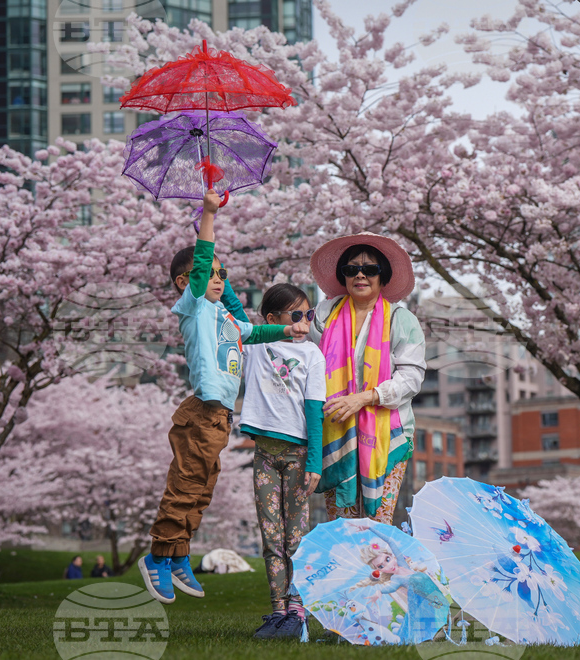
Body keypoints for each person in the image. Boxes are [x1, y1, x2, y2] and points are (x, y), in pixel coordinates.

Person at [139, 190, 310, 606]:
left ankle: (179, 554)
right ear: (188, 283)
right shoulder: (195, 307)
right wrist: (209, 214)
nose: (218, 278)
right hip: (201, 413)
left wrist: (288, 331)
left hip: (219, 419)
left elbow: (255, 330)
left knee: (203, 488)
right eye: (212, 274)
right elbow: (202, 261)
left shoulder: (227, 319)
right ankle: (158, 556)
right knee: (185, 485)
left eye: (223, 273)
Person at [308, 233, 425, 523]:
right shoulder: (324, 314)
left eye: (370, 269)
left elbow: (412, 377)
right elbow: (307, 364)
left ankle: (378, 571)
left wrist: (364, 398)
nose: (360, 275)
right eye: (351, 269)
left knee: (377, 525)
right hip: (335, 429)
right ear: (343, 276)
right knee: (343, 526)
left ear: (382, 276)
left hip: (389, 432)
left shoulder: (401, 319)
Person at [240, 283, 326, 640]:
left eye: (308, 315)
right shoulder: (257, 346)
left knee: (297, 540)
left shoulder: (312, 355)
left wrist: (315, 464)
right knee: (271, 538)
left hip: (298, 458)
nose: (303, 324)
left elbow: (315, 412)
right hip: (264, 457)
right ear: (273, 319)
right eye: (296, 316)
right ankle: (278, 611)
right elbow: (234, 312)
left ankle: (297, 610)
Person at [350, 521, 448, 643]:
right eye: (381, 566)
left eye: (387, 559)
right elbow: (390, 588)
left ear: (392, 556)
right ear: (379, 570)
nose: (388, 565)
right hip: (421, 601)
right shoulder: (395, 578)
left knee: (438, 612)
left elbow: (390, 541)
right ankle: (430, 635)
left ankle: (440, 630)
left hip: (433, 594)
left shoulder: (403, 564)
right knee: (422, 622)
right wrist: (379, 591)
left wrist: (370, 528)